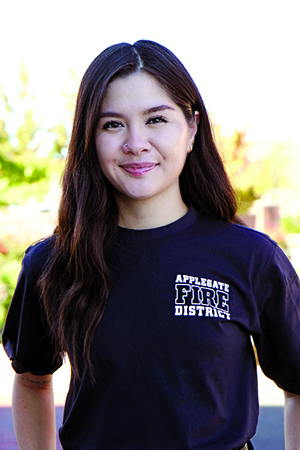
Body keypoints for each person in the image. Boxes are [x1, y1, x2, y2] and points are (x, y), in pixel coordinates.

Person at [2, 40, 300, 450]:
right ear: (89, 139)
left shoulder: (251, 258)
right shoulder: (53, 262)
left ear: (192, 129)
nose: (135, 143)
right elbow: (33, 379)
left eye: (156, 119)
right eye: (112, 124)